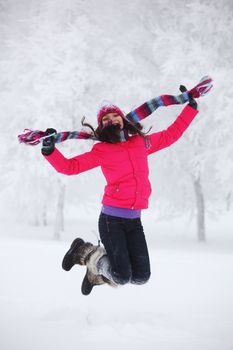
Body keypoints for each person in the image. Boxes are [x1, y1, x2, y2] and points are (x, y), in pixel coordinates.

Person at [41, 77, 212, 295]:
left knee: (141, 276)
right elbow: (70, 167)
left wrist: (190, 108)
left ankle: (96, 272)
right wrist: (50, 151)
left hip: (134, 221)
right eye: (106, 118)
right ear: (102, 126)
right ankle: (83, 251)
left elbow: (171, 135)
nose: (112, 120)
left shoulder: (140, 143)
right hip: (111, 221)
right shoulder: (102, 151)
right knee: (121, 276)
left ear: (123, 119)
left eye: (115, 115)